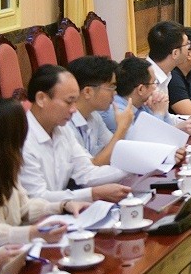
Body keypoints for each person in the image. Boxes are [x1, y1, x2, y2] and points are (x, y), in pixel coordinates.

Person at [0, 98, 89, 246]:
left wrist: (62, 206)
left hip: (12, 251)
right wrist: (31, 233)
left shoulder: (5, 165)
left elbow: (24, 208)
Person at [19, 66, 130, 204]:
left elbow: (86, 173)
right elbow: (37, 198)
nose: (74, 109)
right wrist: (92, 194)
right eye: (68, 102)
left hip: (61, 211)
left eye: (75, 102)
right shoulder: (22, 139)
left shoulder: (62, 130)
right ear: (41, 98)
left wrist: (134, 167)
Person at [146, 21, 191, 132]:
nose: (189, 49)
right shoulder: (146, 79)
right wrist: (178, 128)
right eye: (187, 45)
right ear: (175, 53)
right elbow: (149, 129)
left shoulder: (165, 74)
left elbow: (166, 117)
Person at [65, 55, 132, 166]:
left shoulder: (94, 116)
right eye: (111, 87)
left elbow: (116, 151)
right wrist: (122, 128)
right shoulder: (65, 124)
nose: (115, 93)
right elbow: (91, 167)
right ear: (88, 92)